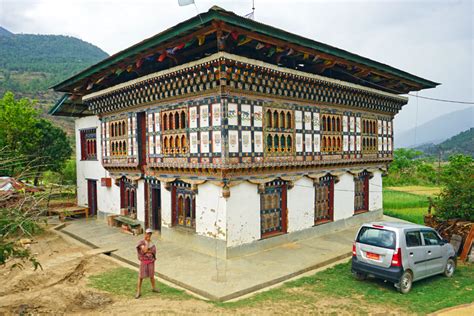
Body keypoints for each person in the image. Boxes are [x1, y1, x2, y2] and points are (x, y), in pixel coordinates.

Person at [135, 228, 160, 298]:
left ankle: (154, 288)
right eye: (147, 233)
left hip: (151, 261)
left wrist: (150, 251)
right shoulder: (142, 242)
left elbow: (153, 251)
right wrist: (148, 245)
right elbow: (145, 250)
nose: (149, 235)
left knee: (152, 276)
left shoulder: (151, 243)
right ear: (145, 234)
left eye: (150, 233)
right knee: (141, 277)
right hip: (144, 261)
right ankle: (138, 291)